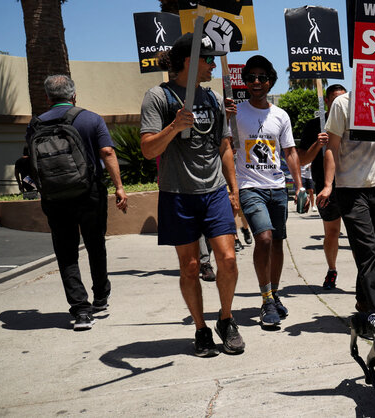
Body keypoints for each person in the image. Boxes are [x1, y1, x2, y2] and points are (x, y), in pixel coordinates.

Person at [140, 33, 244, 356]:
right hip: (177, 194)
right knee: (189, 267)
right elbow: (146, 149)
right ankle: (201, 329)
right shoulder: (157, 97)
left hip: (213, 192)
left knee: (227, 259)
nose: (212, 64)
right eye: (208, 59)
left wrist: (233, 188)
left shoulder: (212, 99)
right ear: (190, 60)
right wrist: (173, 127)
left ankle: (225, 320)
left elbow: (224, 146)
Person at [27, 74, 128, 330]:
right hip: (89, 192)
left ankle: (81, 311)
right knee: (95, 243)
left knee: (66, 251)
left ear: (48, 98)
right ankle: (100, 296)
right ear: (74, 95)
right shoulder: (90, 118)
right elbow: (107, 152)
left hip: (54, 196)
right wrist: (119, 187)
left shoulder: (35, 124)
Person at [233, 55, 302, 327]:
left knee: (277, 242)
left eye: (262, 78)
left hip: (277, 188)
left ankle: (274, 292)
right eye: (251, 78)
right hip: (250, 186)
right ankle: (266, 300)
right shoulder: (235, 113)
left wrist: (299, 186)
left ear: (270, 82)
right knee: (263, 238)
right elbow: (225, 147)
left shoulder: (280, 115)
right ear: (245, 83)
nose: (257, 82)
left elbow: (290, 151)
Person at [317, 91, 375, 313]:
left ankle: (364, 300)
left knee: (374, 249)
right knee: (367, 250)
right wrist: (328, 185)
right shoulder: (343, 104)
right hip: (350, 188)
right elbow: (331, 147)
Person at [297, 84, 347, 290]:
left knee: (359, 234)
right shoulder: (313, 126)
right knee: (332, 232)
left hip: (353, 184)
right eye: (335, 100)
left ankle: (366, 278)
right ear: (326, 102)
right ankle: (332, 270)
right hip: (327, 187)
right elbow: (301, 160)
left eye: (344, 100)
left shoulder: (353, 122)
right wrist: (318, 144)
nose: (340, 104)